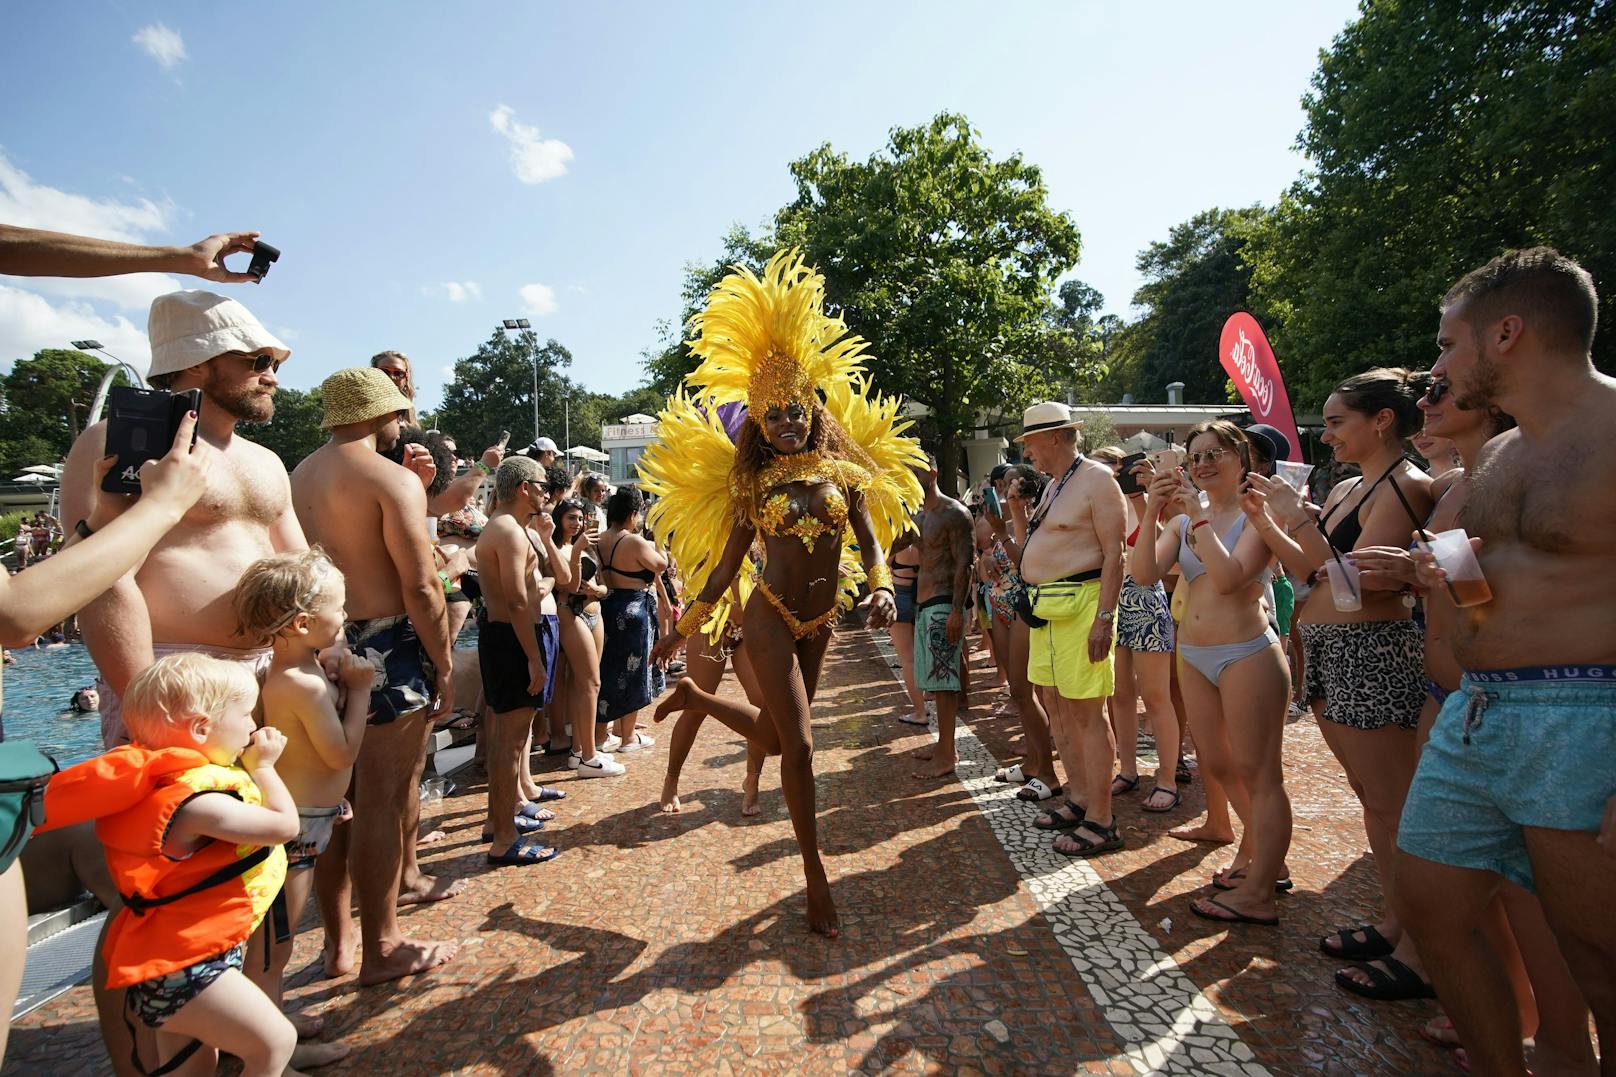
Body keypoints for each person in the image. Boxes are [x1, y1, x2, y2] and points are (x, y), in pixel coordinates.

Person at [643, 250, 921, 935]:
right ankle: (814, 875)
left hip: (821, 619)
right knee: (798, 749)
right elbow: (724, 568)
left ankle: (698, 700)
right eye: (773, 417)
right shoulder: (751, 487)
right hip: (769, 616)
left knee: (773, 735)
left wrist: (881, 583)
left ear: (810, 407)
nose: (787, 424)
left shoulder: (844, 469)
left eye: (794, 411)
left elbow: (870, 536)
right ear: (759, 427)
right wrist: (686, 625)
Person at [1392, 248, 1616, 1076]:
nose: (1439, 367)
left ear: (1508, 333)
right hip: (1477, 711)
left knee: (1599, 957)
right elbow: (1491, 594)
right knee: (1432, 908)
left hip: (1585, 715)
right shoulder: (1496, 456)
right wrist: (1441, 577)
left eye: (1450, 345)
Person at [61, 290, 307, 749]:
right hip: (171, 680)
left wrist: (319, 657)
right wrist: (148, 704)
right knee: (186, 821)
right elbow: (100, 582)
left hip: (271, 677)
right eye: (257, 361)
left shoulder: (268, 462)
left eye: (275, 364)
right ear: (197, 362)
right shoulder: (116, 443)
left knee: (273, 821)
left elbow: (302, 572)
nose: (271, 377)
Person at [34, 654, 299, 1077]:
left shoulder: (170, 786)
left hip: (171, 965)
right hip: (187, 970)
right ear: (200, 728)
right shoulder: (199, 804)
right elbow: (284, 826)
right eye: (245, 713)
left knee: (191, 1066)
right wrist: (265, 767)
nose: (253, 725)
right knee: (276, 1041)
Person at [1259, 369, 1436, 986]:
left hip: (1373, 650)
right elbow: (1307, 571)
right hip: (1331, 647)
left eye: (1337, 422)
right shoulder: (1347, 489)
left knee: (1394, 803)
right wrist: (1274, 518)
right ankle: (1396, 921)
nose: (1326, 435)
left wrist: (1296, 525)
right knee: (1372, 799)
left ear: (1381, 420)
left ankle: (1421, 946)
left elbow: (1355, 581)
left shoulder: (1408, 485)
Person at [289, 368, 459, 985]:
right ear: (382, 415)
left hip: (317, 645)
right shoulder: (388, 478)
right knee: (384, 802)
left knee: (331, 804)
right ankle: (382, 947)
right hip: (387, 643)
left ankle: (338, 947)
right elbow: (420, 585)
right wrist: (442, 661)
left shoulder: (297, 478)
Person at [1134, 422, 1294, 925]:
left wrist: (1196, 518)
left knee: (1260, 773)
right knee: (1218, 766)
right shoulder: (1182, 523)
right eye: (1194, 456)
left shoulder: (1255, 516)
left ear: (1241, 458)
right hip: (1194, 653)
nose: (1201, 464)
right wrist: (1154, 513)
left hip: (1247, 652)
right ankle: (1262, 853)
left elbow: (1228, 580)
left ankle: (1262, 886)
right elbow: (1142, 575)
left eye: (1213, 454)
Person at [233, 549, 371, 1067]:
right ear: (304, 622)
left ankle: (272, 1017)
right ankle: (269, 1052)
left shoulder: (301, 669)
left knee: (278, 939)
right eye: (340, 607)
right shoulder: (303, 684)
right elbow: (341, 752)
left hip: (311, 816)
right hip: (294, 830)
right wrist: (358, 693)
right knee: (275, 943)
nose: (346, 615)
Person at [1000, 403, 1127, 858]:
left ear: (1055, 436)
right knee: (1055, 704)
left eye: (1030, 441)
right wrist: (1017, 512)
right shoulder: (1056, 485)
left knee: (1087, 711)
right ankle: (1079, 797)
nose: (1027, 451)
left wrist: (1105, 618)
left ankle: (1103, 819)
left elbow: (1116, 554)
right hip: (1049, 609)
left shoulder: (1096, 480)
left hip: (1083, 606)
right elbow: (1031, 552)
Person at [474, 456, 568, 864]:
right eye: (542, 484)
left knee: (506, 741)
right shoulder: (508, 531)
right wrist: (534, 658)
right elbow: (514, 599)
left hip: (502, 637)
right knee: (510, 744)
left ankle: (499, 823)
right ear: (522, 488)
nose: (548, 491)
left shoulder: (505, 527)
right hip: (511, 640)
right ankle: (504, 840)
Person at [1092, 447, 1181, 814]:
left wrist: (1141, 498)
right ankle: (1128, 770)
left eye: (1117, 467)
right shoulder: (1096, 500)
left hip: (1144, 593)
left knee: (1157, 695)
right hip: (1109, 596)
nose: (1114, 474)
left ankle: (1168, 778)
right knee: (1120, 693)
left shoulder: (1140, 500)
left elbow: (1159, 543)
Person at [984, 464, 1062, 803]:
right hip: (1004, 604)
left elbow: (1028, 563)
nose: (1006, 485)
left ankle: (1048, 772)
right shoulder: (1016, 513)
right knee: (1018, 692)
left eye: (1014, 479)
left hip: (1027, 607)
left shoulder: (1041, 514)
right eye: (1003, 481)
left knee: (1026, 690)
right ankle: (1032, 762)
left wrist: (1001, 533)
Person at [906, 455, 974, 780]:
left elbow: (966, 564)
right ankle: (943, 745)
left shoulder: (954, 512)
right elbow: (890, 543)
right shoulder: (919, 516)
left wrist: (958, 611)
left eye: (914, 471)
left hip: (945, 605)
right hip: (924, 604)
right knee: (936, 684)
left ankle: (947, 753)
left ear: (932, 472)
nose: (909, 477)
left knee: (946, 686)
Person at [550, 499, 623, 778]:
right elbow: (566, 584)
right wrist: (577, 550)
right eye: (571, 518)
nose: (577, 524)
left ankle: (580, 750)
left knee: (585, 684)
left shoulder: (589, 548)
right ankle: (589, 758)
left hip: (595, 613)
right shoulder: (556, 549)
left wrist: (597, 590)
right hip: (571, 613)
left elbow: (605, 585)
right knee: (591, 682)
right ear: (559, 520)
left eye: (580, 519)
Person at [595, 488, 666, 753]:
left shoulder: (601, 539)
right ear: (633, 514)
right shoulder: (634, 541)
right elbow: (660, 564)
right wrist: (656, 544)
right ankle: (627, 738)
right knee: (634, 672)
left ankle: (604, 734)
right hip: (634, 607)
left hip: (608, 605)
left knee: (608, 670)